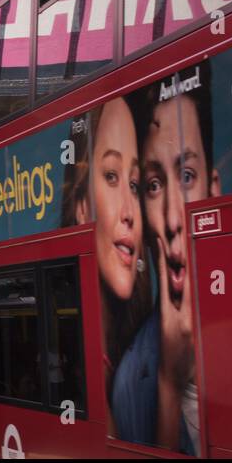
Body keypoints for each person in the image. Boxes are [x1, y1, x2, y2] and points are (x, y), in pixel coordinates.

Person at [128, 70, 217, 454]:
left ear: (213, 189)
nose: (173, 217)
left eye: (186, 175)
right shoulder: (132, 378)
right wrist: (169, 381)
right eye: (153, 185)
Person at [60, 99, 151, 440]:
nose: (130, 211)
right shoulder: (75, 359)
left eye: (135, 184)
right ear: (82, 208)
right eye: (111, 176)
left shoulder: (139, 356)